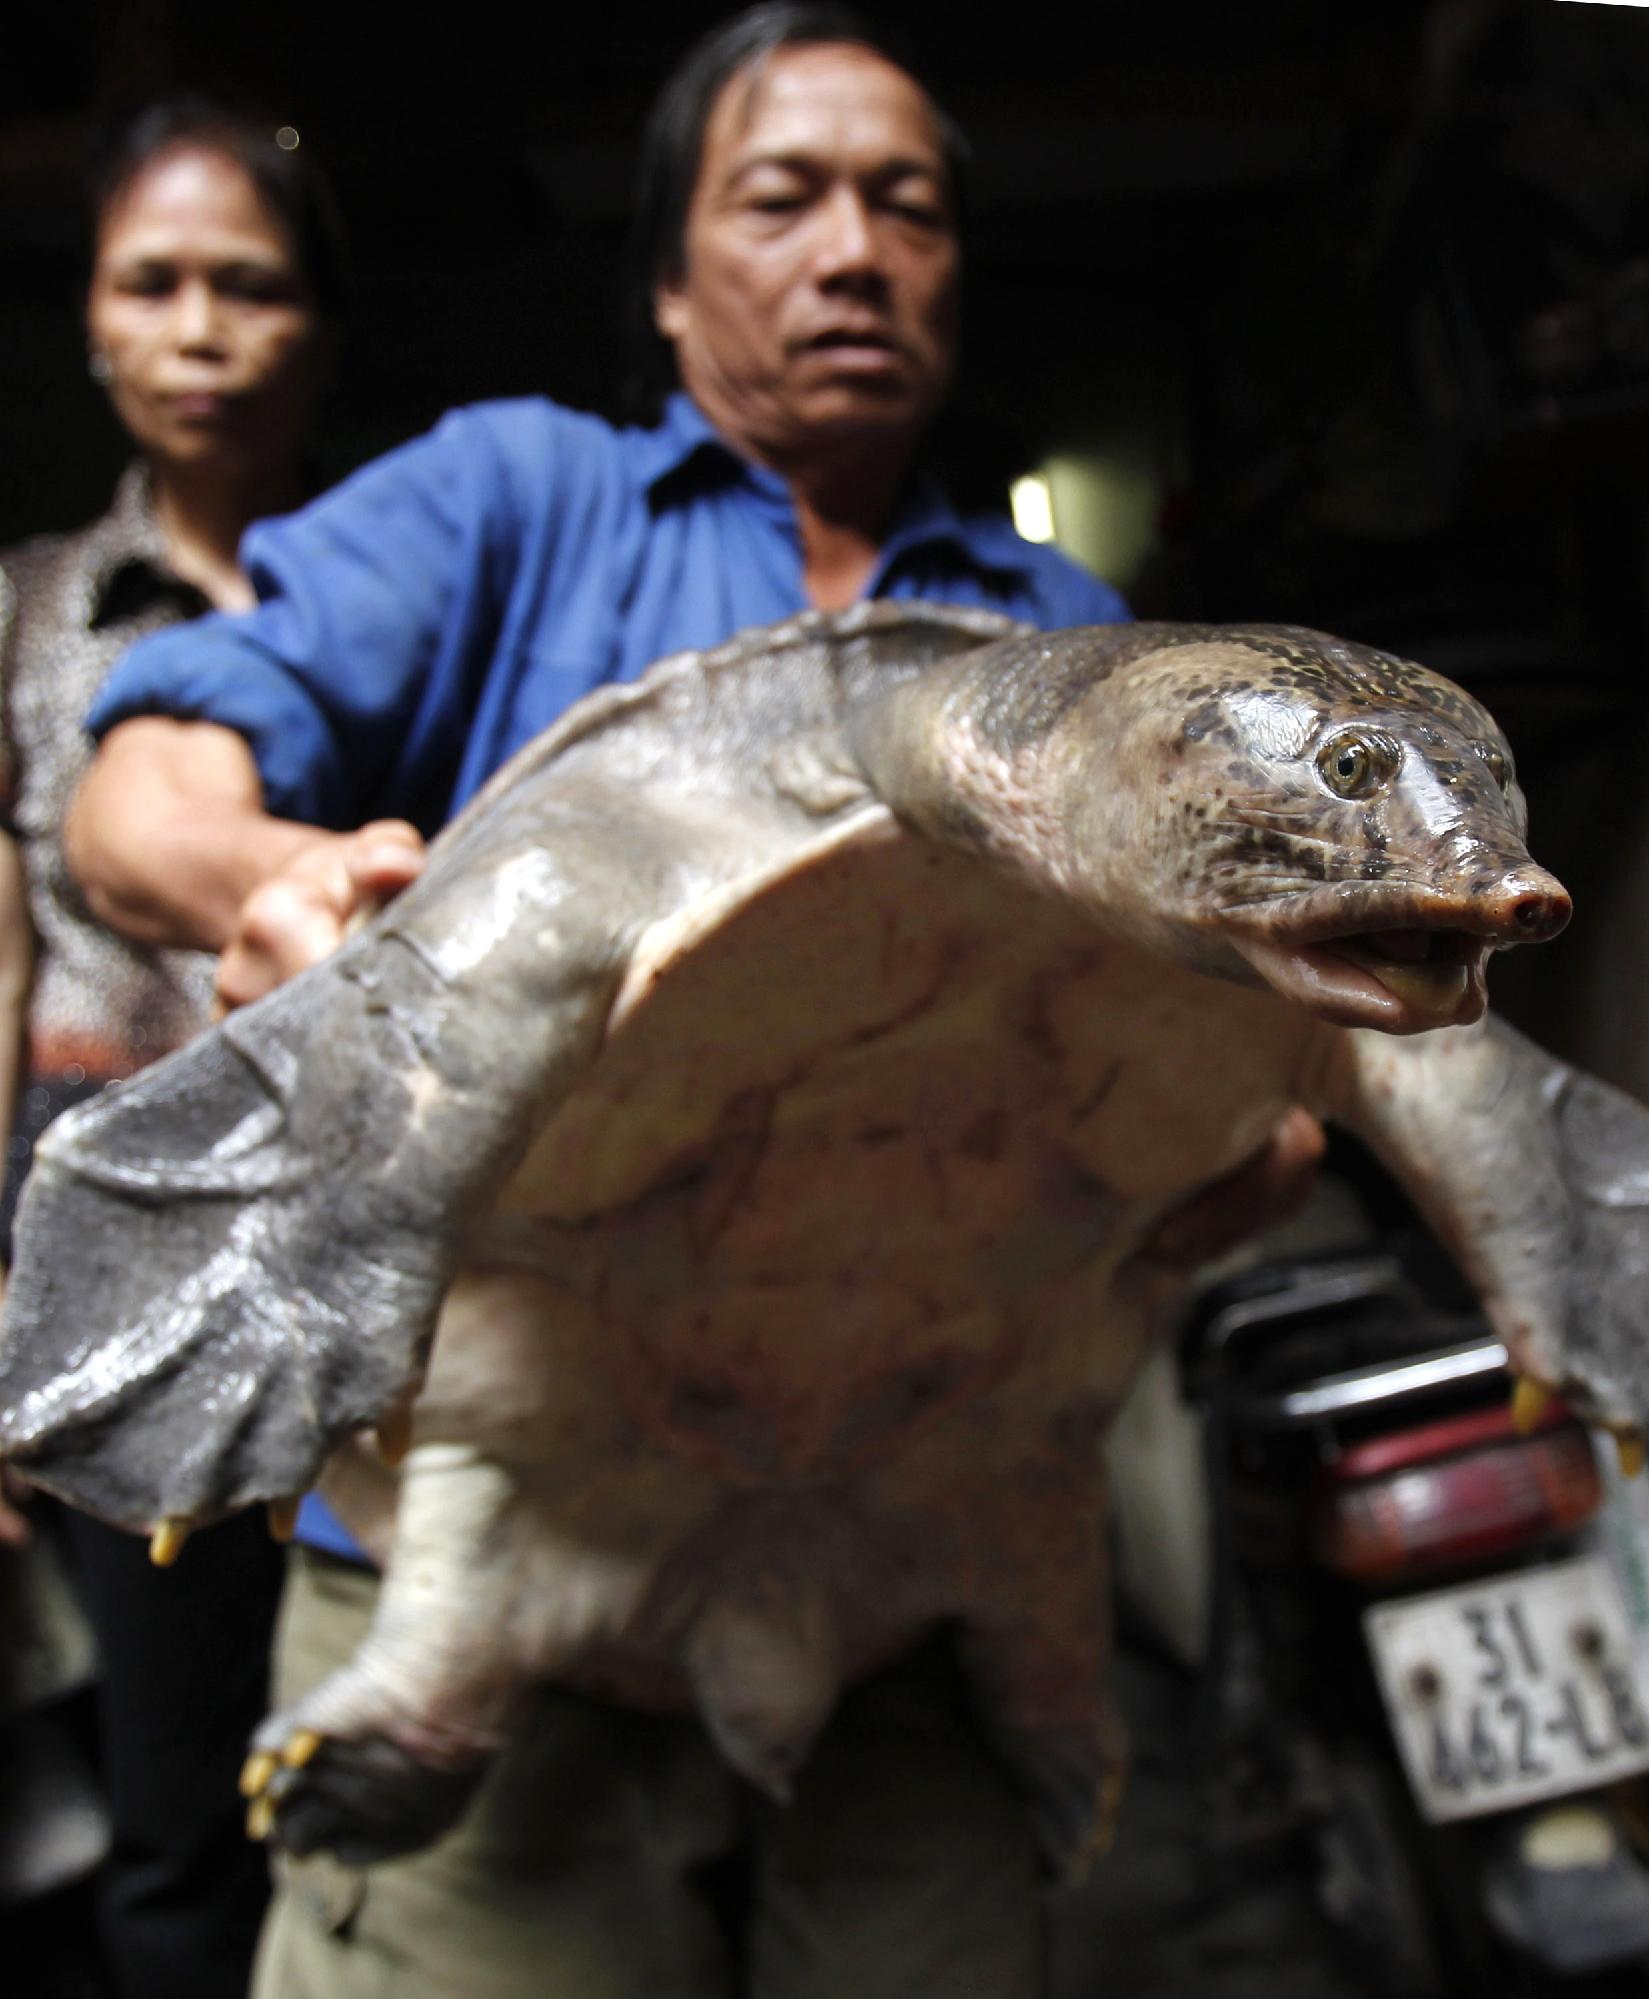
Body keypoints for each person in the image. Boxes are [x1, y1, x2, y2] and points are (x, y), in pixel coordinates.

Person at [61, 13, 1320, 1995]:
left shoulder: (1069, 649)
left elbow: (1208, 1089)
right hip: (506, 1534)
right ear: (665, 280)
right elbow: (138, 784)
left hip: (903, 1557)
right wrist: (274, 879)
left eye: (907, 206)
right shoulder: (516, 500)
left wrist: (1211, 1140)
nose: (854, 250)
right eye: (783, 197)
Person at [0, 96, 344, 1998]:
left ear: (319, 325)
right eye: (154, 285)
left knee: (410, 1721)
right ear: (92, 322)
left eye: (250, 287)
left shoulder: (397, 591)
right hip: (104, 1220)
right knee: (176, 1780)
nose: (201, 329)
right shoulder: (32, 610)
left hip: (364, 1205)